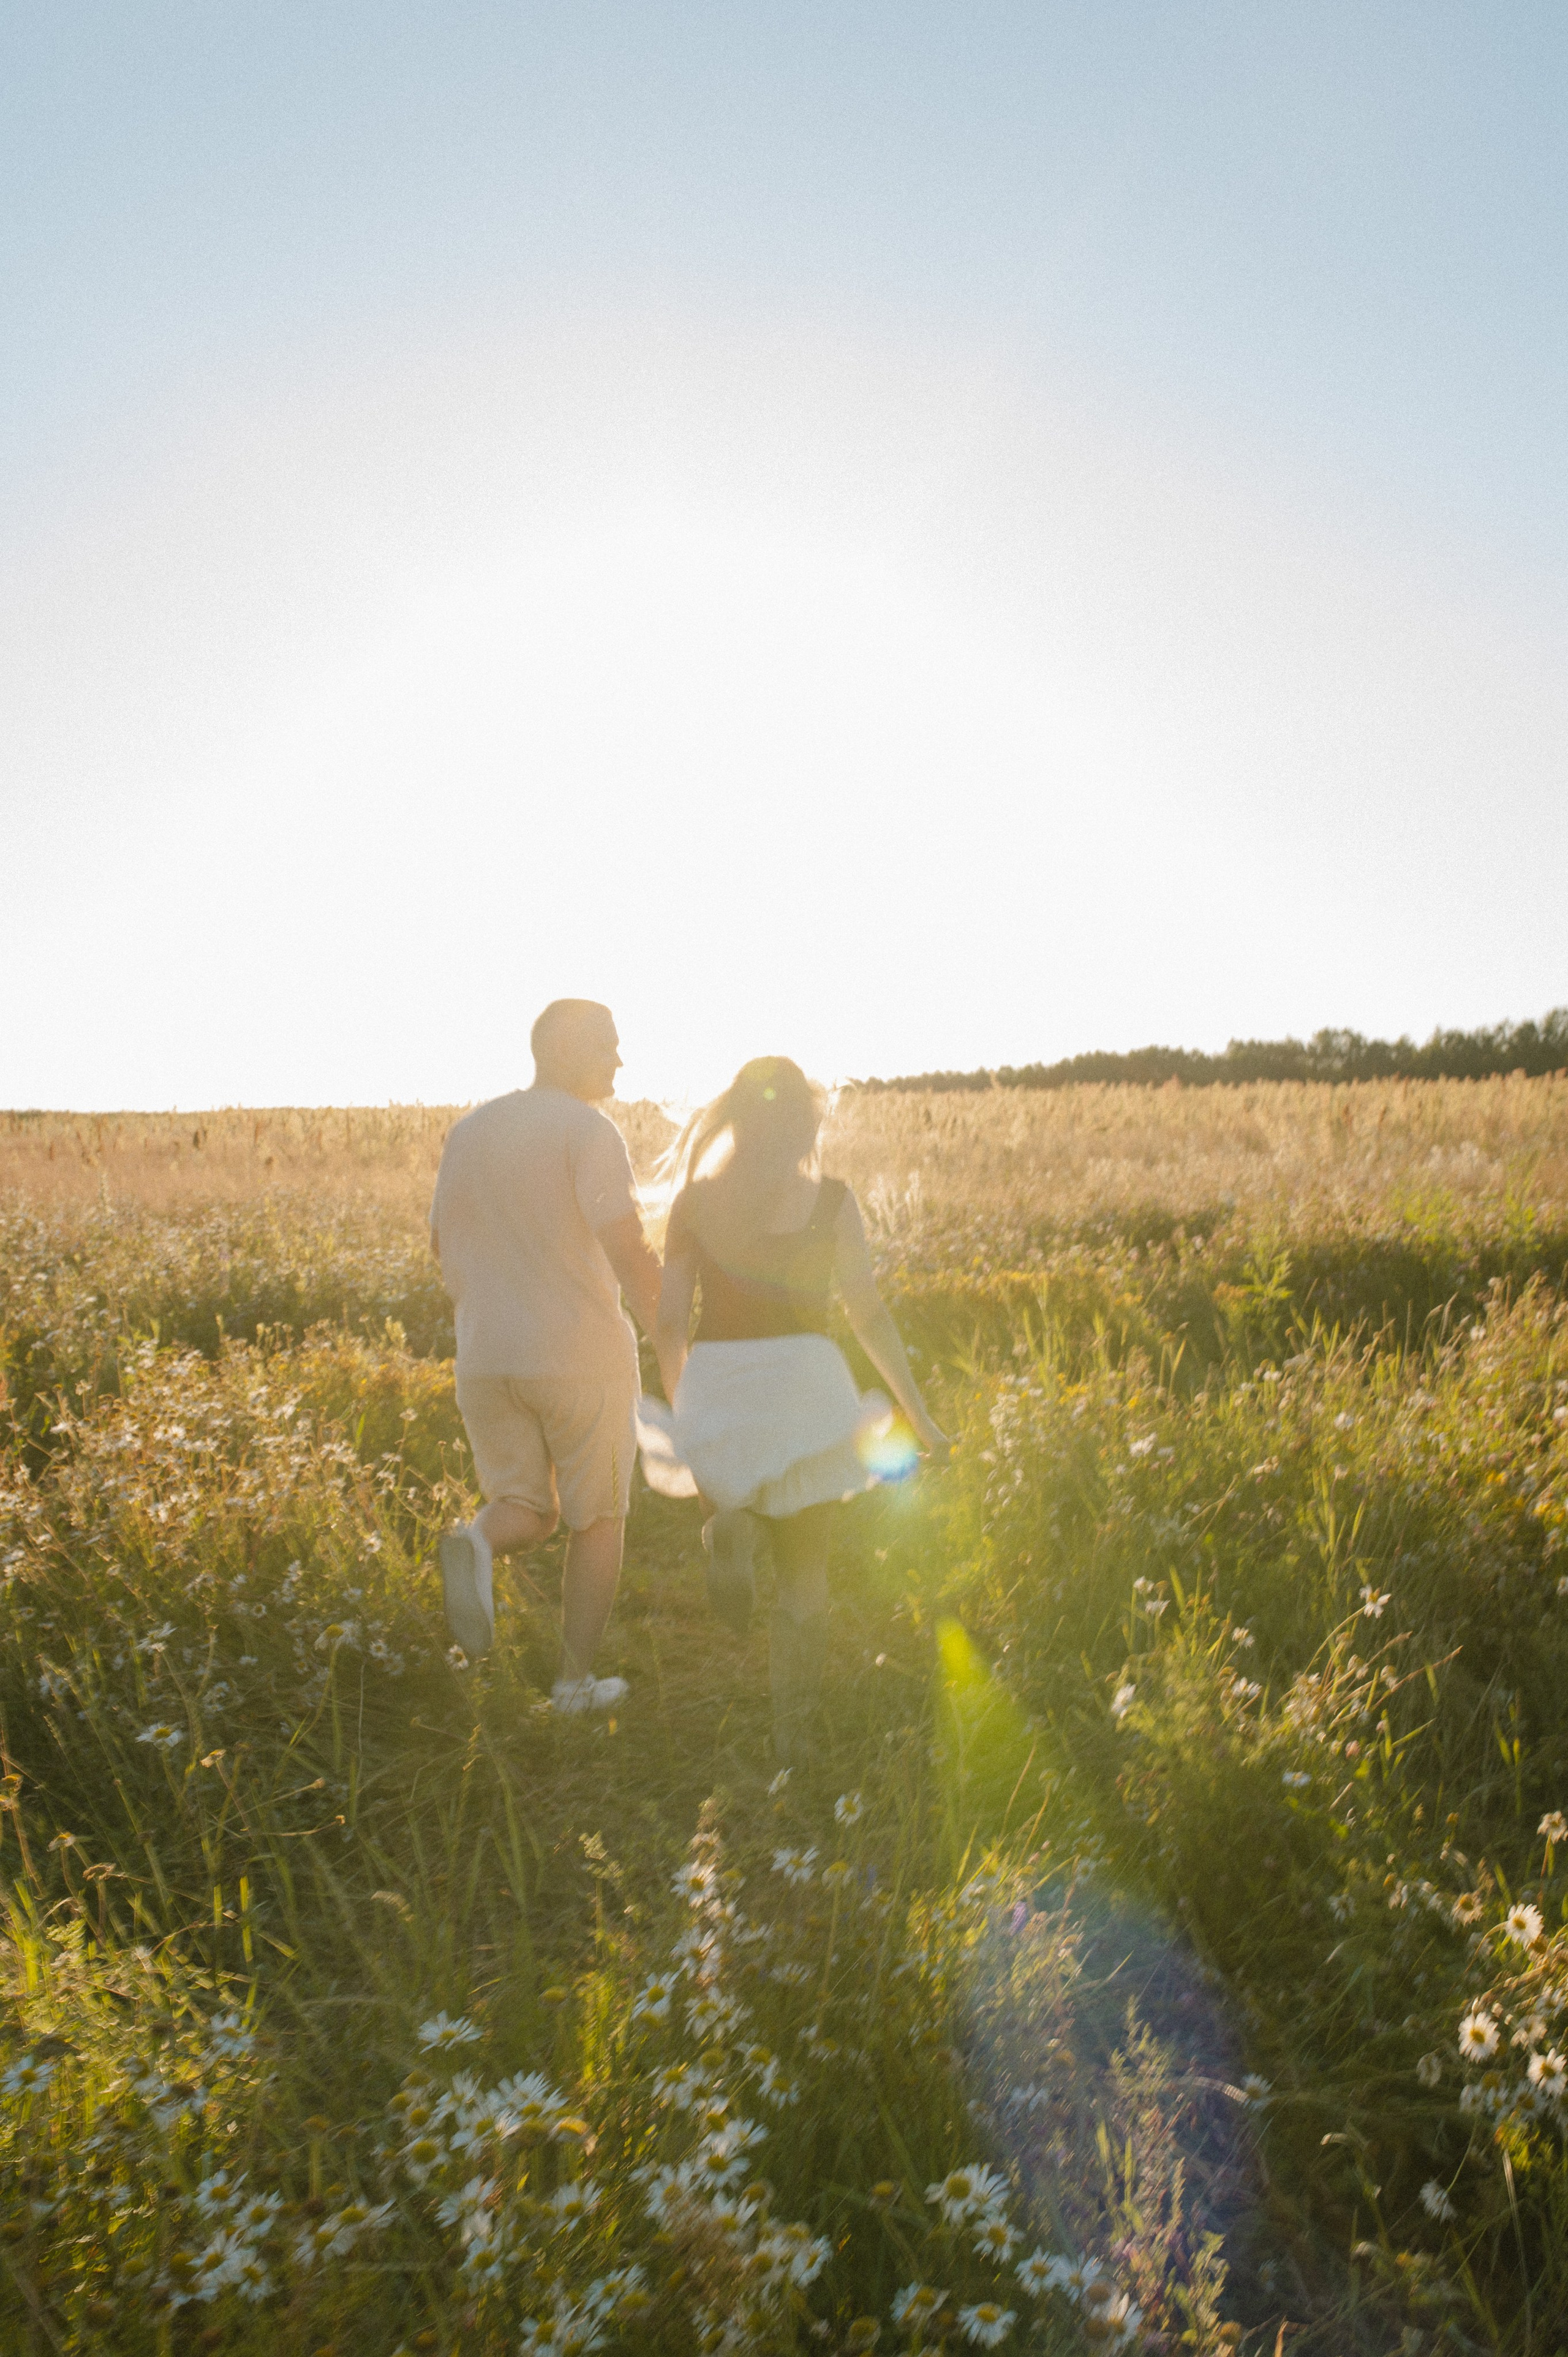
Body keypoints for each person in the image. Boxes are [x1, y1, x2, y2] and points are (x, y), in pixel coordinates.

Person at [641, 1056, 950, 1765]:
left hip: (720, 1374)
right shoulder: (832, 1201)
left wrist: (689, 1407)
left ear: (736, 1119)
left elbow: (668, 1323)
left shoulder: (692, 1203)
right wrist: (919, 1414)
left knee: (734, 1488)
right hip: (808, 1383)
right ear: (806, 1125)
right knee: (806, 1571)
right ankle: (794, 1733)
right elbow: (867, 1312)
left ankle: (731, 1523)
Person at [429, 999, 662, 1714]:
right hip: (580, 1356)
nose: (620, 1059)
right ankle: (572, 1684)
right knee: (599, 1518)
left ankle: (473, 1541)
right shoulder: (588, 1130)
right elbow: (627, 1247)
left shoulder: (470, 1132)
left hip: (484, 1358)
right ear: (561, 1049)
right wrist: (672, 1340)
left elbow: (440, 1244)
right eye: (606, 1046)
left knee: (526, 1507)